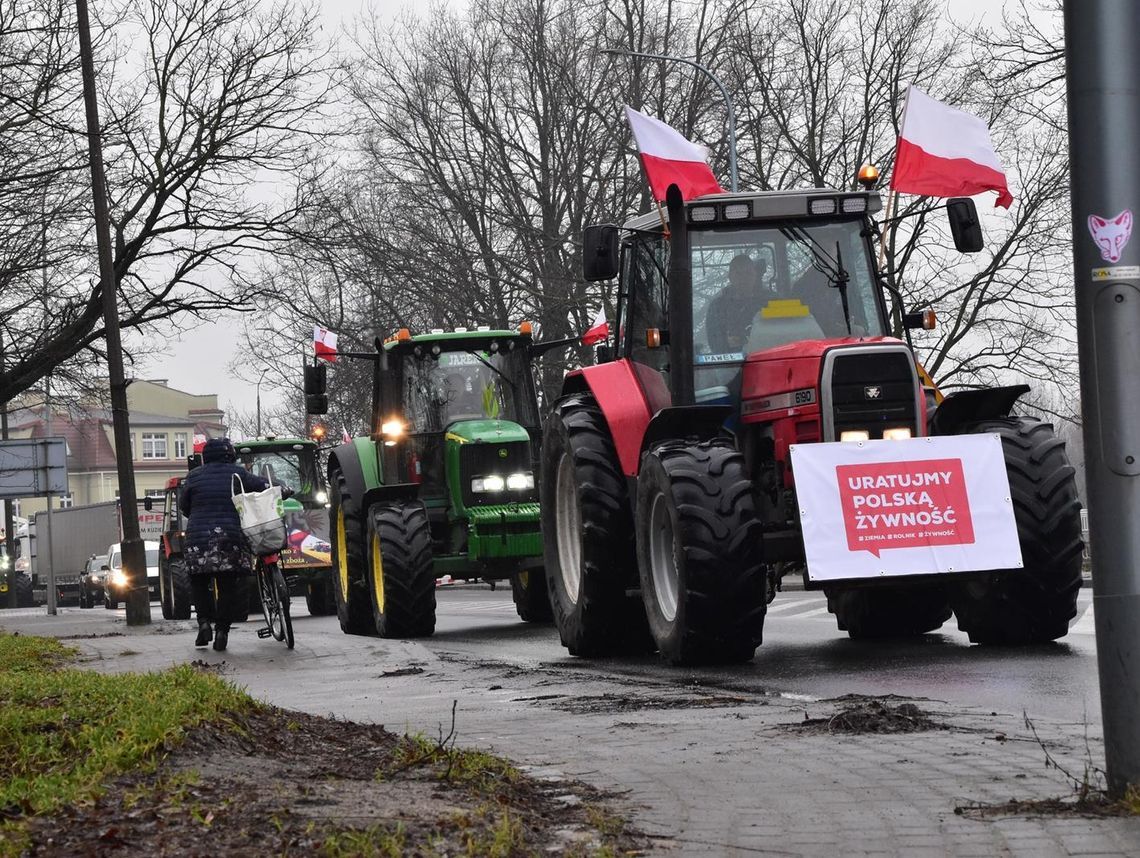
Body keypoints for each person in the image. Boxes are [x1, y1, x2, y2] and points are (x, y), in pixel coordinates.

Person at [179, 437, 268, 651]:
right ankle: (221, 631)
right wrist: (281, 486)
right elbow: (262, 486)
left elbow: (184, 506)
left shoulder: (194, 476)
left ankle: (203, 623)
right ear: (230, 455)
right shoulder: (237, 474)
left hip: (197, 540)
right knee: (228, 586)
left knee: (199, 583)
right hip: (228, 537)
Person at [705, 254, 769, 353]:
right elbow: (715, 343)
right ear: (730, 276)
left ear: (755, 274)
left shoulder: (771, 301)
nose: (744, 278)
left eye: (748, 273)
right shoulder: (718, 307)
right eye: (738, 273)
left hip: (769, 358)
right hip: (732, 365)